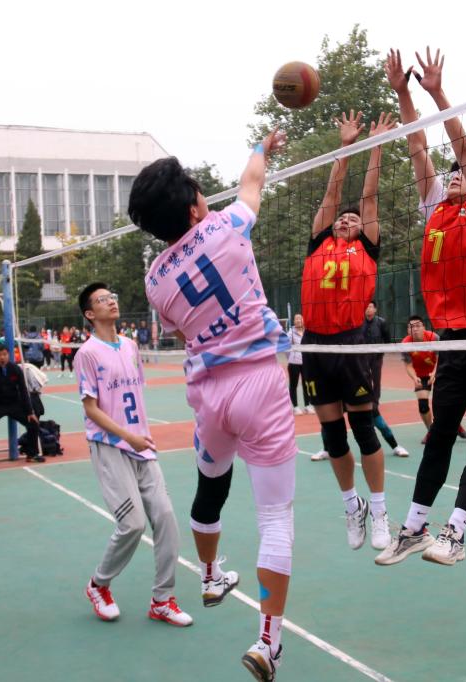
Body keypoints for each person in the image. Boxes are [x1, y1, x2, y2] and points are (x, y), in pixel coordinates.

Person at [131, 126, 295, 679]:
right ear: (196, 206)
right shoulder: (228, 225)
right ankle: (268, 642)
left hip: (208, 395)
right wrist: (261, 149)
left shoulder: (154, 280)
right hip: (260, 386)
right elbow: (252, 183)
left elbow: (182, 330)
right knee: (275, 519)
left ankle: (208, 575)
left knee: (211, 488)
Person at [377, 47, 466, 567]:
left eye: (464, 172)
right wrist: (404, 93)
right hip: (454, 340)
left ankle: (455, 534)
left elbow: (462, 149)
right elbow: (418, 144)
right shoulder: (436, 208)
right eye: (453, 173)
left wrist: (439, 93)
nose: (455, 174)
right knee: (439, 434)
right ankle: (414, 527)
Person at [299, 110, 398, 553]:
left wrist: (374, 146)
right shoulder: (319, 243)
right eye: (342, 219)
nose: (346, 220)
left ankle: (379, 510)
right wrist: (344, 147)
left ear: (364, 231)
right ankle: (350, 505)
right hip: (316, 346)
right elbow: (332, 193)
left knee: (363, 430)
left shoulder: (367, 251)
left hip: (351, 342)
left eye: (353, 221)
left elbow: (369, 197)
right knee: (331, 436)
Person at [75, 282, 191, 627]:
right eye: (102, 300)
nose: (111, 301)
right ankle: (99, 585)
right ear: (89, 313)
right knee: (133, 524)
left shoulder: (130, 346)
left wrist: (139, 435)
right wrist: (127, 436)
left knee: (166, 519)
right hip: (110, 445)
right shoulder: (87, 353)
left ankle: (162, 600)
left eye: (112, 296)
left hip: (142, 445)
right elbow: (91, 409)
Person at [0, 344, 44, 470]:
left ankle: (32, 454)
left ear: (8, 355)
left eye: (5, 354)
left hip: (14, 404)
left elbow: (23, 391)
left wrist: (30, 412)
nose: (2, 357)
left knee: (33, 423)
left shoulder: (15, 369)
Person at [400, 316, 466, 445]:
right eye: (411, 327)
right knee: (423, 406)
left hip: (440, 371)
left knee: (445, 403)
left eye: (418, 326)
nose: (415, 329)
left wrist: (435, 373)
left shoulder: (433, 337)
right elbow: (408, 365)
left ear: (423, 327)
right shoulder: (405, 344)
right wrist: (414, 378)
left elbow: (442, 358)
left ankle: (456, 425)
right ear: (408, 330)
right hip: (421, 375)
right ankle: (431, 431)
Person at [362, 302, 409, 458]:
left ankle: (375, 401)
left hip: (376, 356)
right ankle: (327, 449)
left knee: (376, 381)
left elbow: (387, 339)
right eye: (366, 307)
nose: (368, 309)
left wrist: (383, 351)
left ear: (375, 309)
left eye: (371, 307)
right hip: (361, 358)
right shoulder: (359, 323)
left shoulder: (381, 322)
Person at [287, 314, 312, 416]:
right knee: (294, 385)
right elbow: (286, 347)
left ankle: (307, 406)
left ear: (303, 321)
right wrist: (291, 357)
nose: (298, 320)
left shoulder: (307, 332)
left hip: (305, 363)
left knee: (306, 384)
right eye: (296, 319)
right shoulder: (290, 333)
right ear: (294, 322)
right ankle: (296, 407)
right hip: (294, 363)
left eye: (300, 319)